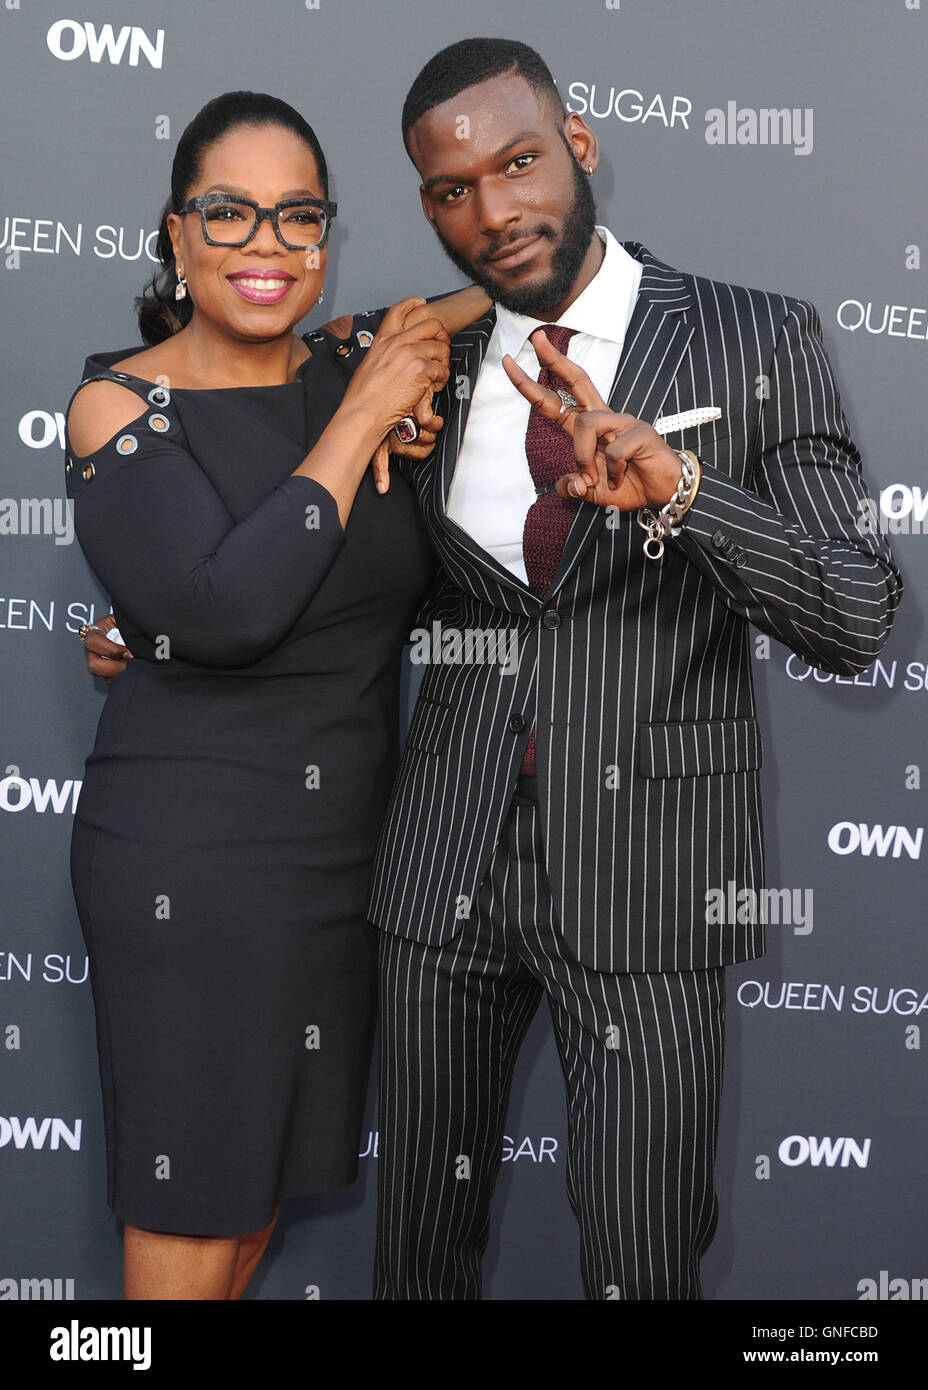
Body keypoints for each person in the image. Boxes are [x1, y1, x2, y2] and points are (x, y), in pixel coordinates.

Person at [360, 38, 903, 1299]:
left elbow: (859, 611)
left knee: (642, 1256)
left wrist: (687, 491)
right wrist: (156, 629)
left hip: (655, 885)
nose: (492, 213)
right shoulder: (424, 366)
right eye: (451, 191)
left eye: (518, 163)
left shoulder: (752, 337)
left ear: (580, 144)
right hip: (443, 870)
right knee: (414, 1257)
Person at [65, 87, 487, 1300]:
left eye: (299, 217)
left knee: (246, 1221)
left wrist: (398, 353)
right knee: (191, 1223)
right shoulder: (122, 401)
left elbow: (512, 287)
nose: (268, 247)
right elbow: (226, 613)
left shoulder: (354, 357)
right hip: (193, 866)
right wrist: (362, 414)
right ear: (175, 232)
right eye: (230, 215)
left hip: (340, 861)